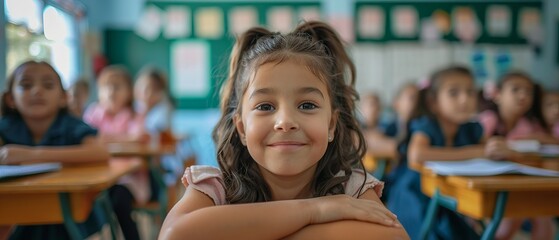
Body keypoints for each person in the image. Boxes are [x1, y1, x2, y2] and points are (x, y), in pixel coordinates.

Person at [159, 21, 409, 240]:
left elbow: (395, 237)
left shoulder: (350, 188)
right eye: (265, 106)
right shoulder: (217, 188)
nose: (285, 121)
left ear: (331, 124)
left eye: (307, 105)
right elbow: (174, 235)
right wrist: (315, 211)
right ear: (242, 128)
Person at [386, 66, 518, 239]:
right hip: (414, 194)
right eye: (453, 93)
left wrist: (501, 149)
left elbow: (489, 150)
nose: (464, 99)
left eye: (470, 92)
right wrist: (475, 152)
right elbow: (416, 156)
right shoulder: (427, 125)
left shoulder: (472, 128)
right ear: (433, 102)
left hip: (448, 195)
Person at [0, 60, 109, 239]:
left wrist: (32, 154)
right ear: (10, 98)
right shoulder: (6, 126)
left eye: (48, 85)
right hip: (19, 214)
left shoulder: (71, 125)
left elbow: (100, 152)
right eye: (26, 85)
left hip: (70, 217)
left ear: (63, 97)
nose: (37, 91)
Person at [478, 72, 556, 240]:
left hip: (517, 184)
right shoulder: (488, 119)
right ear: (497, 94)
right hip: (490, 187)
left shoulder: (527, 125)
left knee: (543, 215)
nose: (523, 96)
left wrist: (538, 139)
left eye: (528, 92)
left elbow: (547, 147)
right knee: (504, 227)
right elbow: (481, 149)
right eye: (516, 90)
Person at [84, 65, 150, 240]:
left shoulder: (136, 113)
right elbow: (86, 139)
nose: (111, 91)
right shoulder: (93, 112)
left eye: (117, 86)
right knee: (89, 202)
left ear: (129, 92)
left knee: (118, 200)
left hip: (130, 178)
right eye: (106, 86)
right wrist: (124, 138)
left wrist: (103, 139)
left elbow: (138, 138)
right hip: (98, 176)